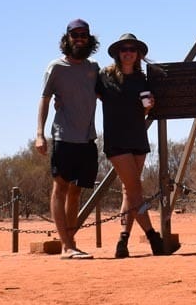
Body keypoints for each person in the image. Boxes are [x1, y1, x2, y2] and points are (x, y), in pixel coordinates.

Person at [97, 32, 179, 258]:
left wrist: (148, 106)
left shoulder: (142, 80)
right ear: (117, 53)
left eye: (132, 49)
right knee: (135, 190)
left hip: (137, 138)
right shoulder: (105, 77)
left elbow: (142, 109)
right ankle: (154, 238)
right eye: (124, 49)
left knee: (129, 192)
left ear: (138, 54)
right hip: (116, 140)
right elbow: (87, 96)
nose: (128, 53)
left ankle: (122, 242)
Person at [34, 19, 101, 259]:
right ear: (68, 38)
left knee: (76, 191)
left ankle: (71, 243)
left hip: (87, 140)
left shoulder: (94, 68)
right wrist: (40, 134)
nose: (79, 38)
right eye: (75, 35)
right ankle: (66, 246)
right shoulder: (56, 67)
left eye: (83, 35)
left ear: (89, 38)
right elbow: (44, 98)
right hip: (63, 137)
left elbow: (107, 94)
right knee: (60, 187)